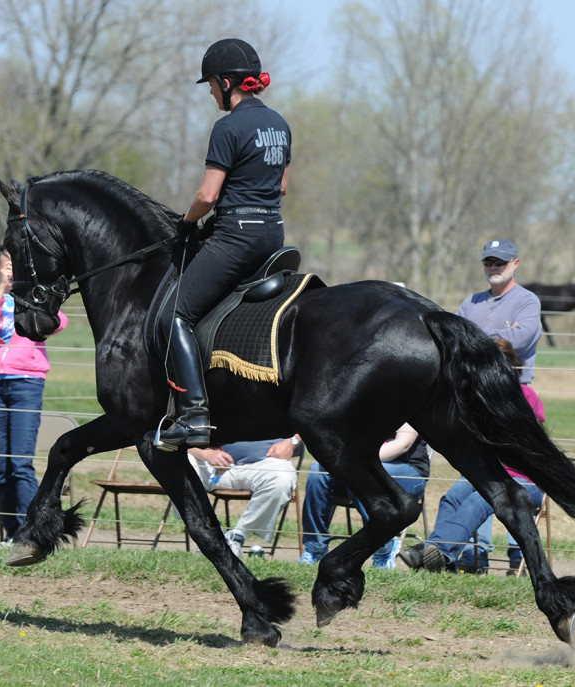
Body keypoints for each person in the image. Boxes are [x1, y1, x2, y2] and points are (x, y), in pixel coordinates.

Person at [152, 38, 291, 451]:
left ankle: (193, 414)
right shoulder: (279, 123)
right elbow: (281, 186)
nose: (211, 92)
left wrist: (186, 222)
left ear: (227, 82)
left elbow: (208, 195)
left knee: (174, 315)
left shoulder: (227, 127)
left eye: (212, 84)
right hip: (273, 233)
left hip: (237, 235)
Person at [399, 338, 546, 573]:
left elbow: (535, 446)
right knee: (452, 498)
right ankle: (439, 560)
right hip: (487, 474)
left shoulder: (526, 396)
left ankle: (437, 552)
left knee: (482, 499)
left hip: (524, 480)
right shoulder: (479, 399)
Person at [0, 244, 69, 542]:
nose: (11, 271)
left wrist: (35, 295)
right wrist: (1, 292)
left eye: (16, 267)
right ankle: (10, 534)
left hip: (26, 382)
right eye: (6, 267)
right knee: (2, 465)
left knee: (20, 461)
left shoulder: (34, 300)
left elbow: (58, 323)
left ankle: (32, 532)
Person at [298, 424, 430, 569]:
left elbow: (403, 444)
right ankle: (315, 548)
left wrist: (356, 459)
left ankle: (383, 548)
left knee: (360, 473)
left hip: (406, 471)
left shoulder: (405, 401)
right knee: (318, 472)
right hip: (356, 466)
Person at [187, 437, 300, 557]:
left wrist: (292, 442)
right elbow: (182, 435)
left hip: (268, 463)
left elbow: (313, 419)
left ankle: (237, 537)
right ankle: (210, 535)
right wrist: (205, 453)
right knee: (179, 466)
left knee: (282, 479)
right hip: (214, 461)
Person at [455, 240, 542, 384]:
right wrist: (502, 335)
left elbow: (519, 339)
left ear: (515, 263)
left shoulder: (527, 301)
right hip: (471, 383)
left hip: (512, 385)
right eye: (488, 263)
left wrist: (470, 336)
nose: (493, 267)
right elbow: (453, 337)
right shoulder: (471, 301)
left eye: (499, 262)